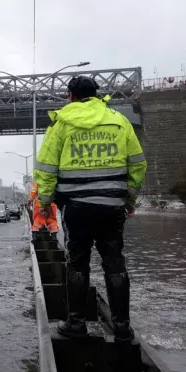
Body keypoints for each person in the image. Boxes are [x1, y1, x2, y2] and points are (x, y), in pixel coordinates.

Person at [33, 76, 147, 342]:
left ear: (70, 96)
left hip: (76, 208)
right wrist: (128, 199)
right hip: (111, 207)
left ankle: (76, 324)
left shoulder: (62, 123)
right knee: (115, 263)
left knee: (77, 263)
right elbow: (138, 165)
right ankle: (121, 327)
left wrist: (45, 204)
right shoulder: (119, 121)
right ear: (98, 95)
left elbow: (46, 169)